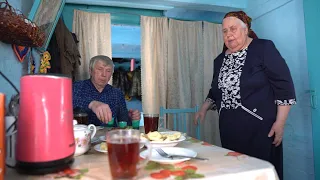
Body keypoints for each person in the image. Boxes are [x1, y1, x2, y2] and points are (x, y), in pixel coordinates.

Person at [195, 11, 295, 180]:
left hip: (260, 127)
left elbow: (284, 85)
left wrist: (281, 123)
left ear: (246, 29)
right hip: (229, 127)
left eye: (233, 29)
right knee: (235, 172)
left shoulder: (263, 48)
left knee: (260, 171)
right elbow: (215, 89)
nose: (228, 34)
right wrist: (204, 108)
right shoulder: (220, 60)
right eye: (225, 31)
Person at [73, 55, 140, 126]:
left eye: (108, 71)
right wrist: (91, 104)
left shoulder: (117, 93)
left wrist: (130, 118)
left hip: (109, 136)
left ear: (111, 74)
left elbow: (124, 124)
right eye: (100, 69)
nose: (104, 74)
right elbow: (66, 104)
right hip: (83, 135)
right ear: (90, 71)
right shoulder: (77, 86)